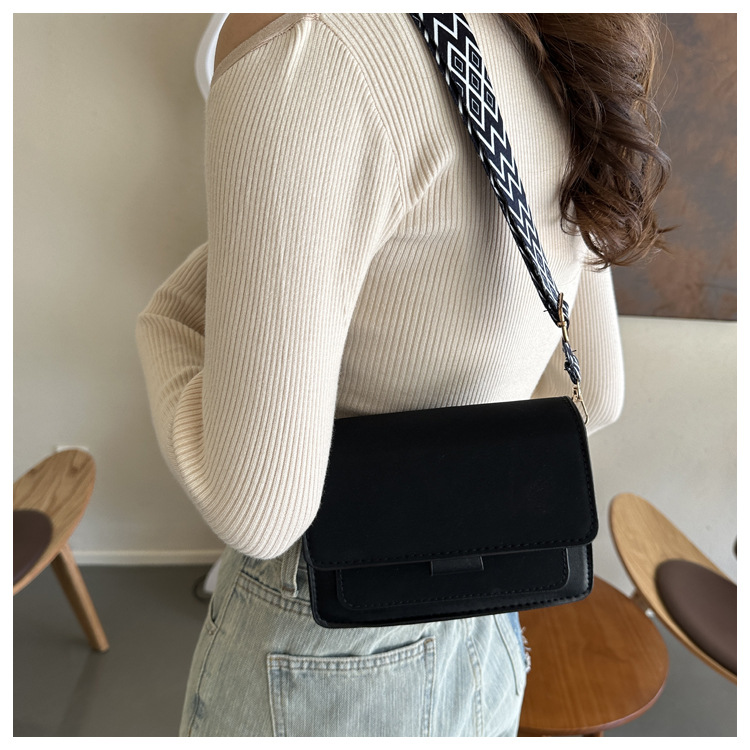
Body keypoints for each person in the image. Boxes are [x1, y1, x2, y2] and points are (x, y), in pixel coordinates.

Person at [136, 13, 670, 737]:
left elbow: (258, 509)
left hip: (327, 654)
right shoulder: (547, 35)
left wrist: (165, 321)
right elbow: (595, 392)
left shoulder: (305, 48)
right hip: (486, 629)